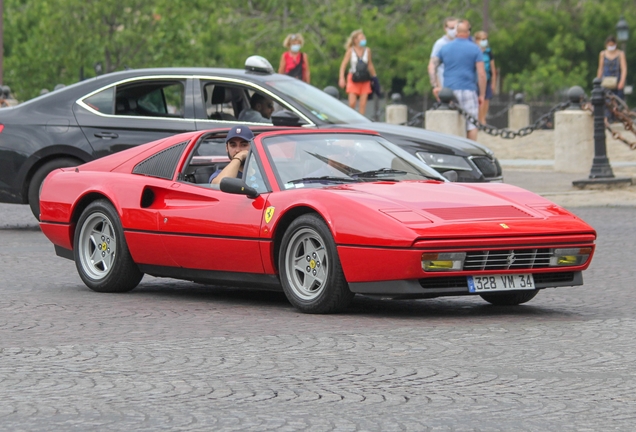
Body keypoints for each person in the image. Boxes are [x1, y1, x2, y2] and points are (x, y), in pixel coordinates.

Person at [429, 20, 486, 141]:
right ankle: (470, 151)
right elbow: (481, 74)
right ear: (468, 32)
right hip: (468, 90)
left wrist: (435, 86)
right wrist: (482, 94)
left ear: (456, 32)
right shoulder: (475, 49)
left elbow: (433, 66)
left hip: (449, 91)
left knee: (452, 123)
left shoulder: (445, 48)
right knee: (471, 125)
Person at [338, 29, 377, 115]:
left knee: (363, 104)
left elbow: (370, 64)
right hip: (354, 77)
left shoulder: (367, 50)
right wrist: (341, 78)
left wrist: (374, 77)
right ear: (355, 40)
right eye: (361, 37)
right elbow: (343, 64)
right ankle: (350, 118)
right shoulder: (350, 51)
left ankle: (361, 122)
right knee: (352, 103)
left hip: (365, 78)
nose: (364, 39)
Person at [428, 17, 458, 96]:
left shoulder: (462, 42)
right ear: (445, 28)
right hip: (445, 85)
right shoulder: (440, 44)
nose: (454, 30)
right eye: (451, 28)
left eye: (456, 27)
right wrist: (435, 86)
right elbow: (432, 66)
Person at [474, 31, 497, 124]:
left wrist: (494, 82)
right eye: (482, 39)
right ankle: (477, 118)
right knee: (477, 99)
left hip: (486, 78)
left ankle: (483, 118)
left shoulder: (488, 52)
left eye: (486, 39)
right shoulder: (474, 51)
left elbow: (493, 68)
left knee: (486, 99)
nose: (485, 41)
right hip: (475, 79)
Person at [597, 35, 627, 101]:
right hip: (605, 81)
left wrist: (622, 82)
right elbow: (600, 68)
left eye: (612, 45)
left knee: (618, 102)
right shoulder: (603, 54)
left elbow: (624, 69)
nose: (611, 47)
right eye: (609, 45)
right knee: (606, 101)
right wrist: (598, 81)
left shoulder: (620, 54)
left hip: (617, 81)